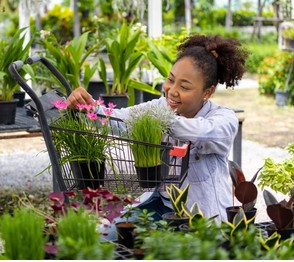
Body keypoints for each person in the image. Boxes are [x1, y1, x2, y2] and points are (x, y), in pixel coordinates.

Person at [66, 34, 248, 222]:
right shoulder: (160, 107)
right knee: (113, 233)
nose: (172, 91)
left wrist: (156, 120)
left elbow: (200, 132)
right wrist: (88, 106)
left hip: (201, 216)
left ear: (207, 92)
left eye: (184, 87)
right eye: (170, 80)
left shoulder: (224, 119)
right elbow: (120, 121)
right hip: (160, 203)